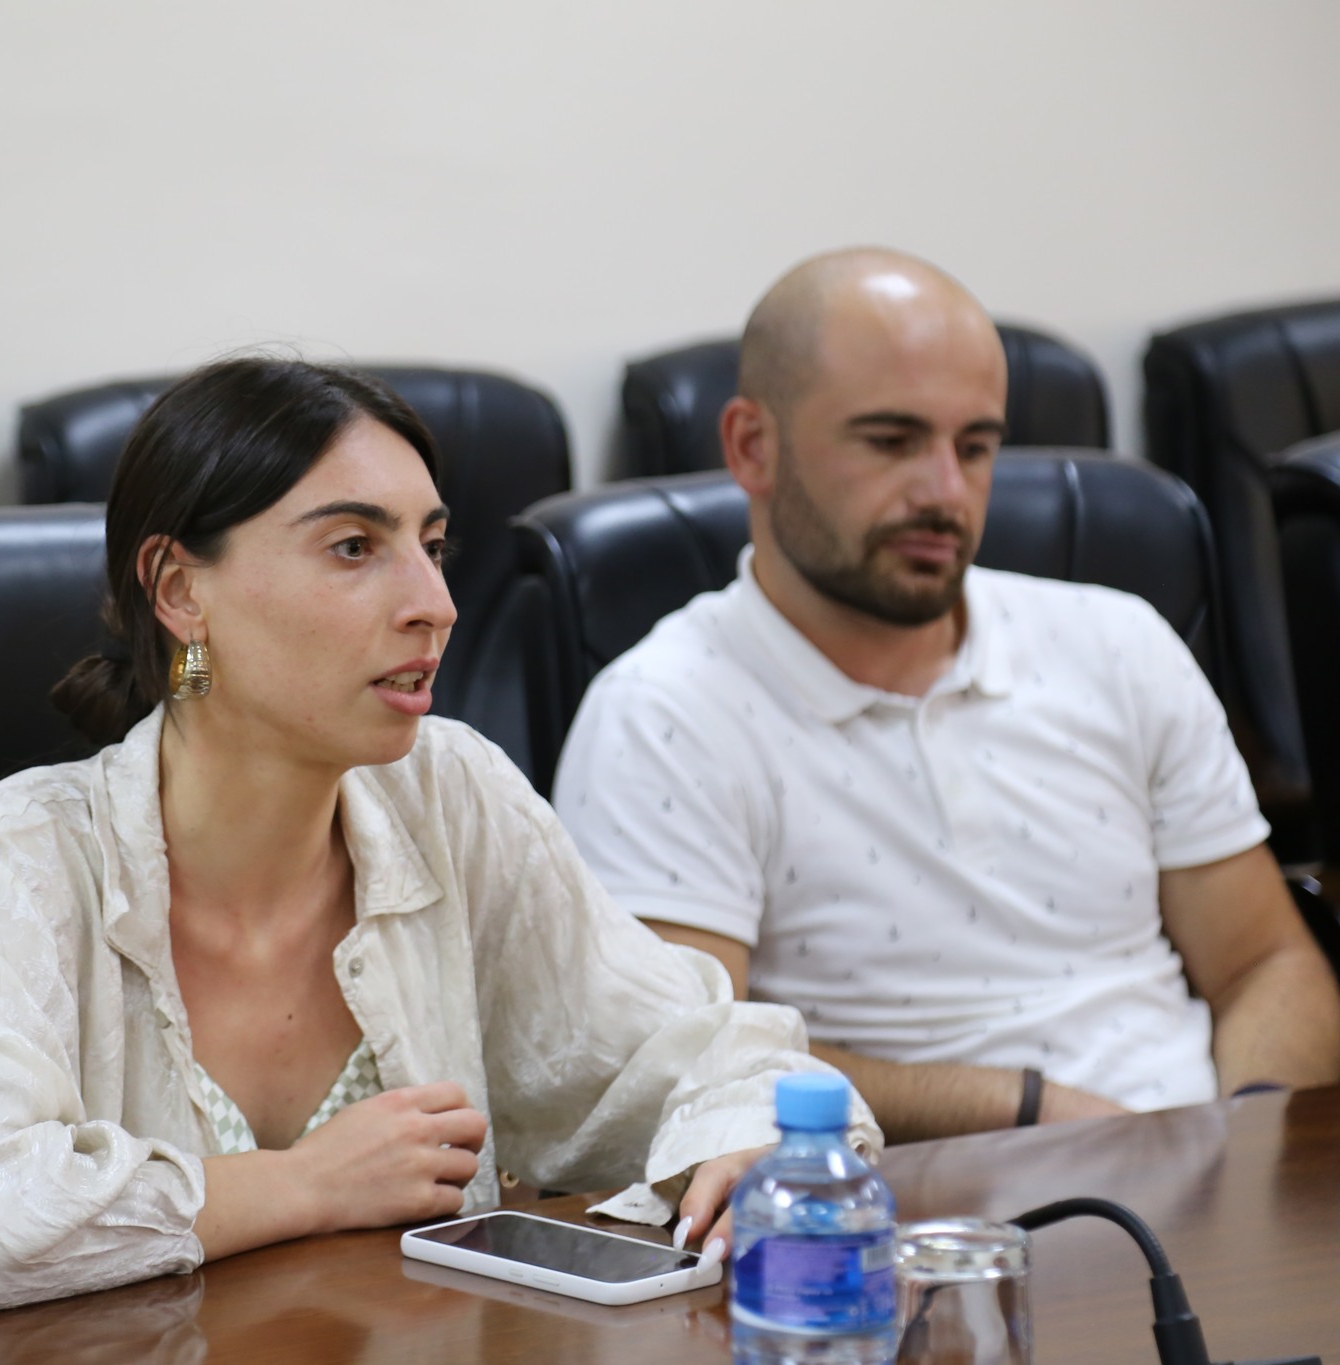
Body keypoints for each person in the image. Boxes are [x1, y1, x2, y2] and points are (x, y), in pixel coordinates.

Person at [0, 357, 874, 1313]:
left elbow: (688, 1051)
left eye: (432, 547)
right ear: (179, 590)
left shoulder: (450, 793)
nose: (435, 606)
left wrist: (752, 1139)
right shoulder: (15, 860)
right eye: (354, 547)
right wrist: (304, 1184)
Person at [554, 248, 1340, 1143]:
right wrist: (1033, 1110)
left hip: (1202, 1162)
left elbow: (1266, 963)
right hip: (915, 1197)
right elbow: (689, 1066)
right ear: (752, 447)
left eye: (975, 447)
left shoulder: (1119, 642)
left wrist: (1246, 1146)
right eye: (891, 441)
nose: (945, 492)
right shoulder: (661, 714)